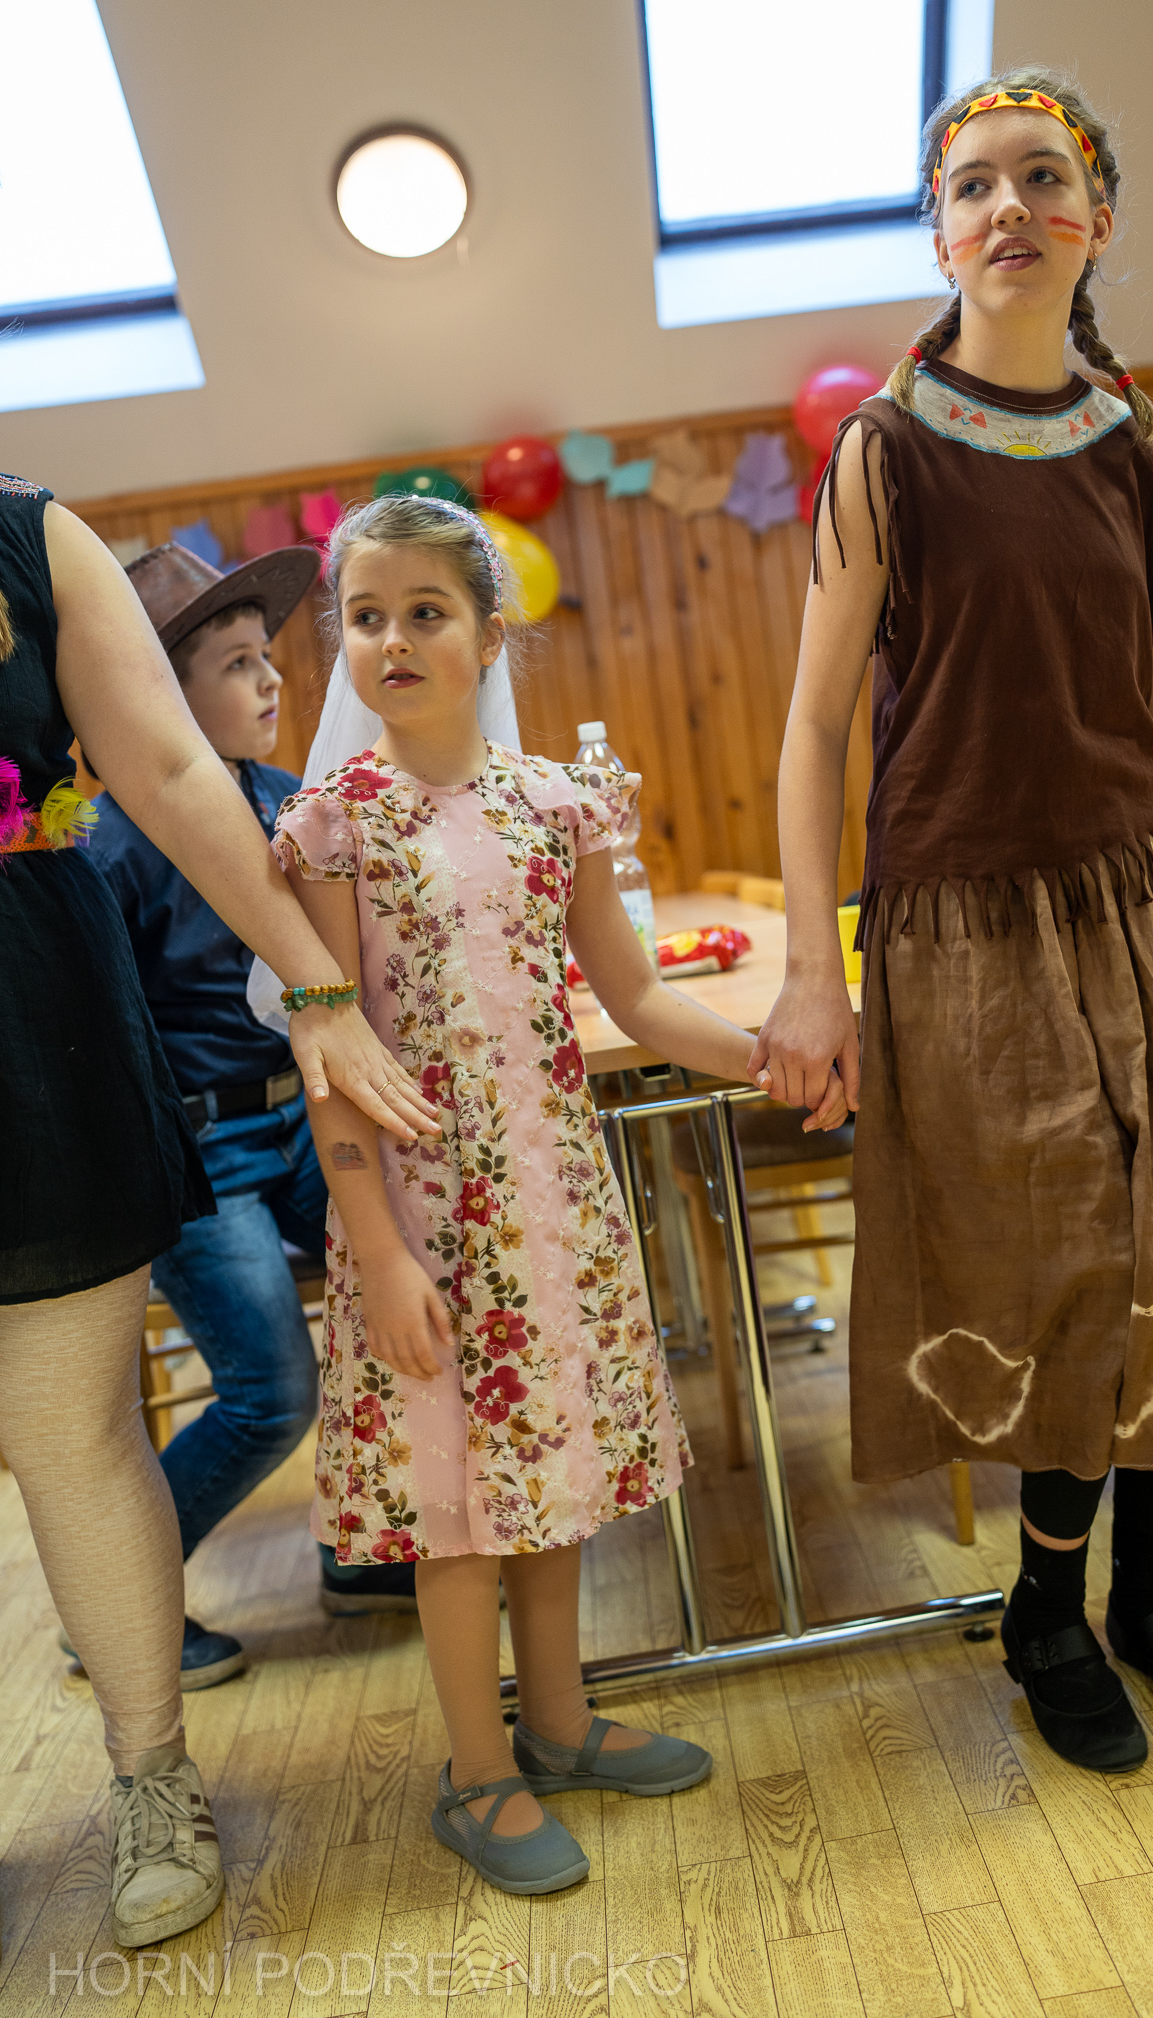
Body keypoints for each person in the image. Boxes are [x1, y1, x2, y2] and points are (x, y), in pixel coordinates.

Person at [752, 69, 1153, 1776]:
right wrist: (812, 973)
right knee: (1071, 1277)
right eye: (972, 184)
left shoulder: (1144, 458)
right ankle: (1043, 1613)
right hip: (968, 928)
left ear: (1097, 220)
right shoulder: (886, 451)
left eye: (1041, 175)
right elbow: (813, 723)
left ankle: (1150, 1604)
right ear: (937, 232)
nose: (1006, 205)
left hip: (1146, 908)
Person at [273, 492, 846, 1894]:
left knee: (547, 1473)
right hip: (418, 1219)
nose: (392, 640)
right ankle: (478, 1772)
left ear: (489, 635)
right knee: (455, 1503)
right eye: (364, 617)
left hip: (552, 1201)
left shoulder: (555, 805)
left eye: (425, 612)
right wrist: (378, 1252)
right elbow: (329, 1060)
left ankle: (563, 1719)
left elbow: (638, 1000)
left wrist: (775, 1057)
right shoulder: (333, 827)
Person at [0, 475, 440, 1947]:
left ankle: (152, 1776)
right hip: (177, 1097)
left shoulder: (30, 535)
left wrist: (319, 989)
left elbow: (172, 771)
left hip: (30, 1030)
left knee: (76, 1433)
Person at [83, 543, 418, 1693]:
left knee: (413, 1293)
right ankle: (116, 1607)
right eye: (235, 664)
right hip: (202, 1148)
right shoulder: (109, 847)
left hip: (312, 1118)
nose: (271, 679)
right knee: (272, 1390)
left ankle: (363, 1545)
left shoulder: (291, 804)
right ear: (158, 697)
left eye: (265, 656)